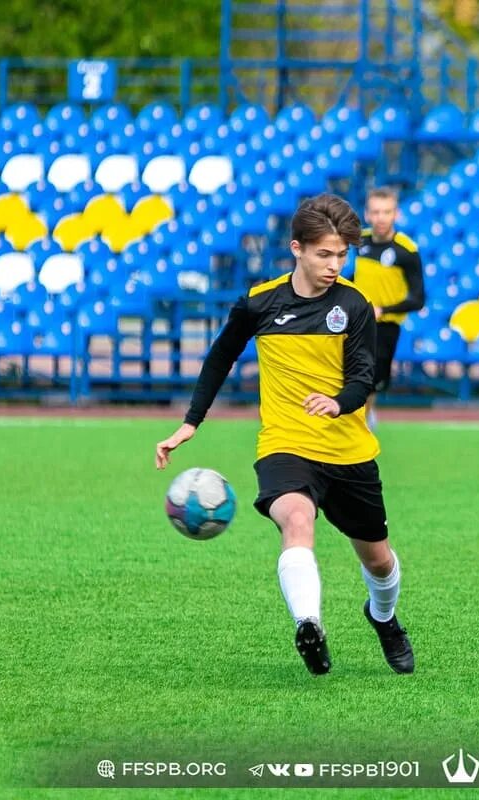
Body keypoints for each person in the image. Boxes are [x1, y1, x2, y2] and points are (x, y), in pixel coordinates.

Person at [154, 193, 414, 677]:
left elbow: (362, 376)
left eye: (342, 254)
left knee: (378, 561)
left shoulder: (355, 305)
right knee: (296, 519)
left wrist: (339, 402)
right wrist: (191, 421)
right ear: (297, 248)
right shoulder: (260, 302)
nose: (335, 264)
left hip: (348, 449)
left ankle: (384, 618)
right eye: (324, 254)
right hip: (285, 444)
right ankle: (309, 625)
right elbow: (220, 357)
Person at [352, 187, 426, 426]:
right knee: (349, 375)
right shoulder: (358, 241)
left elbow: (418, 299)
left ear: (396, 214)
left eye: (387, 212)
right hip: (355, 322)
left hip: (384, 328)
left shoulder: (407, 250)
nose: (381, 218)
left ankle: (365, 421)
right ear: (367, 214)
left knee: (372, 382)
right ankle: (353, 426)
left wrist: (383, 310)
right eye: (376, 212)